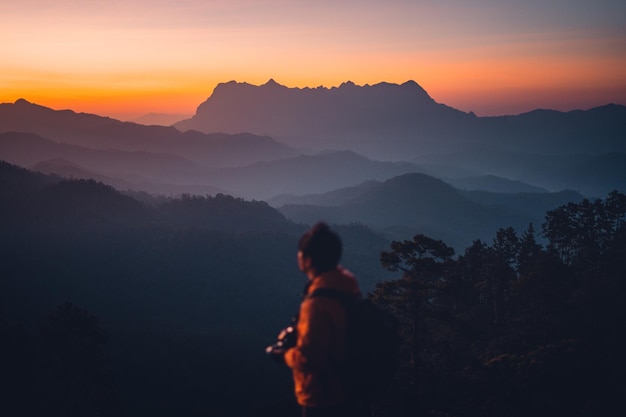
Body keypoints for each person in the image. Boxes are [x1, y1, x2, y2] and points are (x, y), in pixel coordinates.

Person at [273, 222, 369, 417]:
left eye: (300, 253)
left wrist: (283, 354)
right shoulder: (347, 288)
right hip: (351, 390)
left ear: (307, 259)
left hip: (324, 398)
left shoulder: (318, 303)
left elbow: (310, 359)